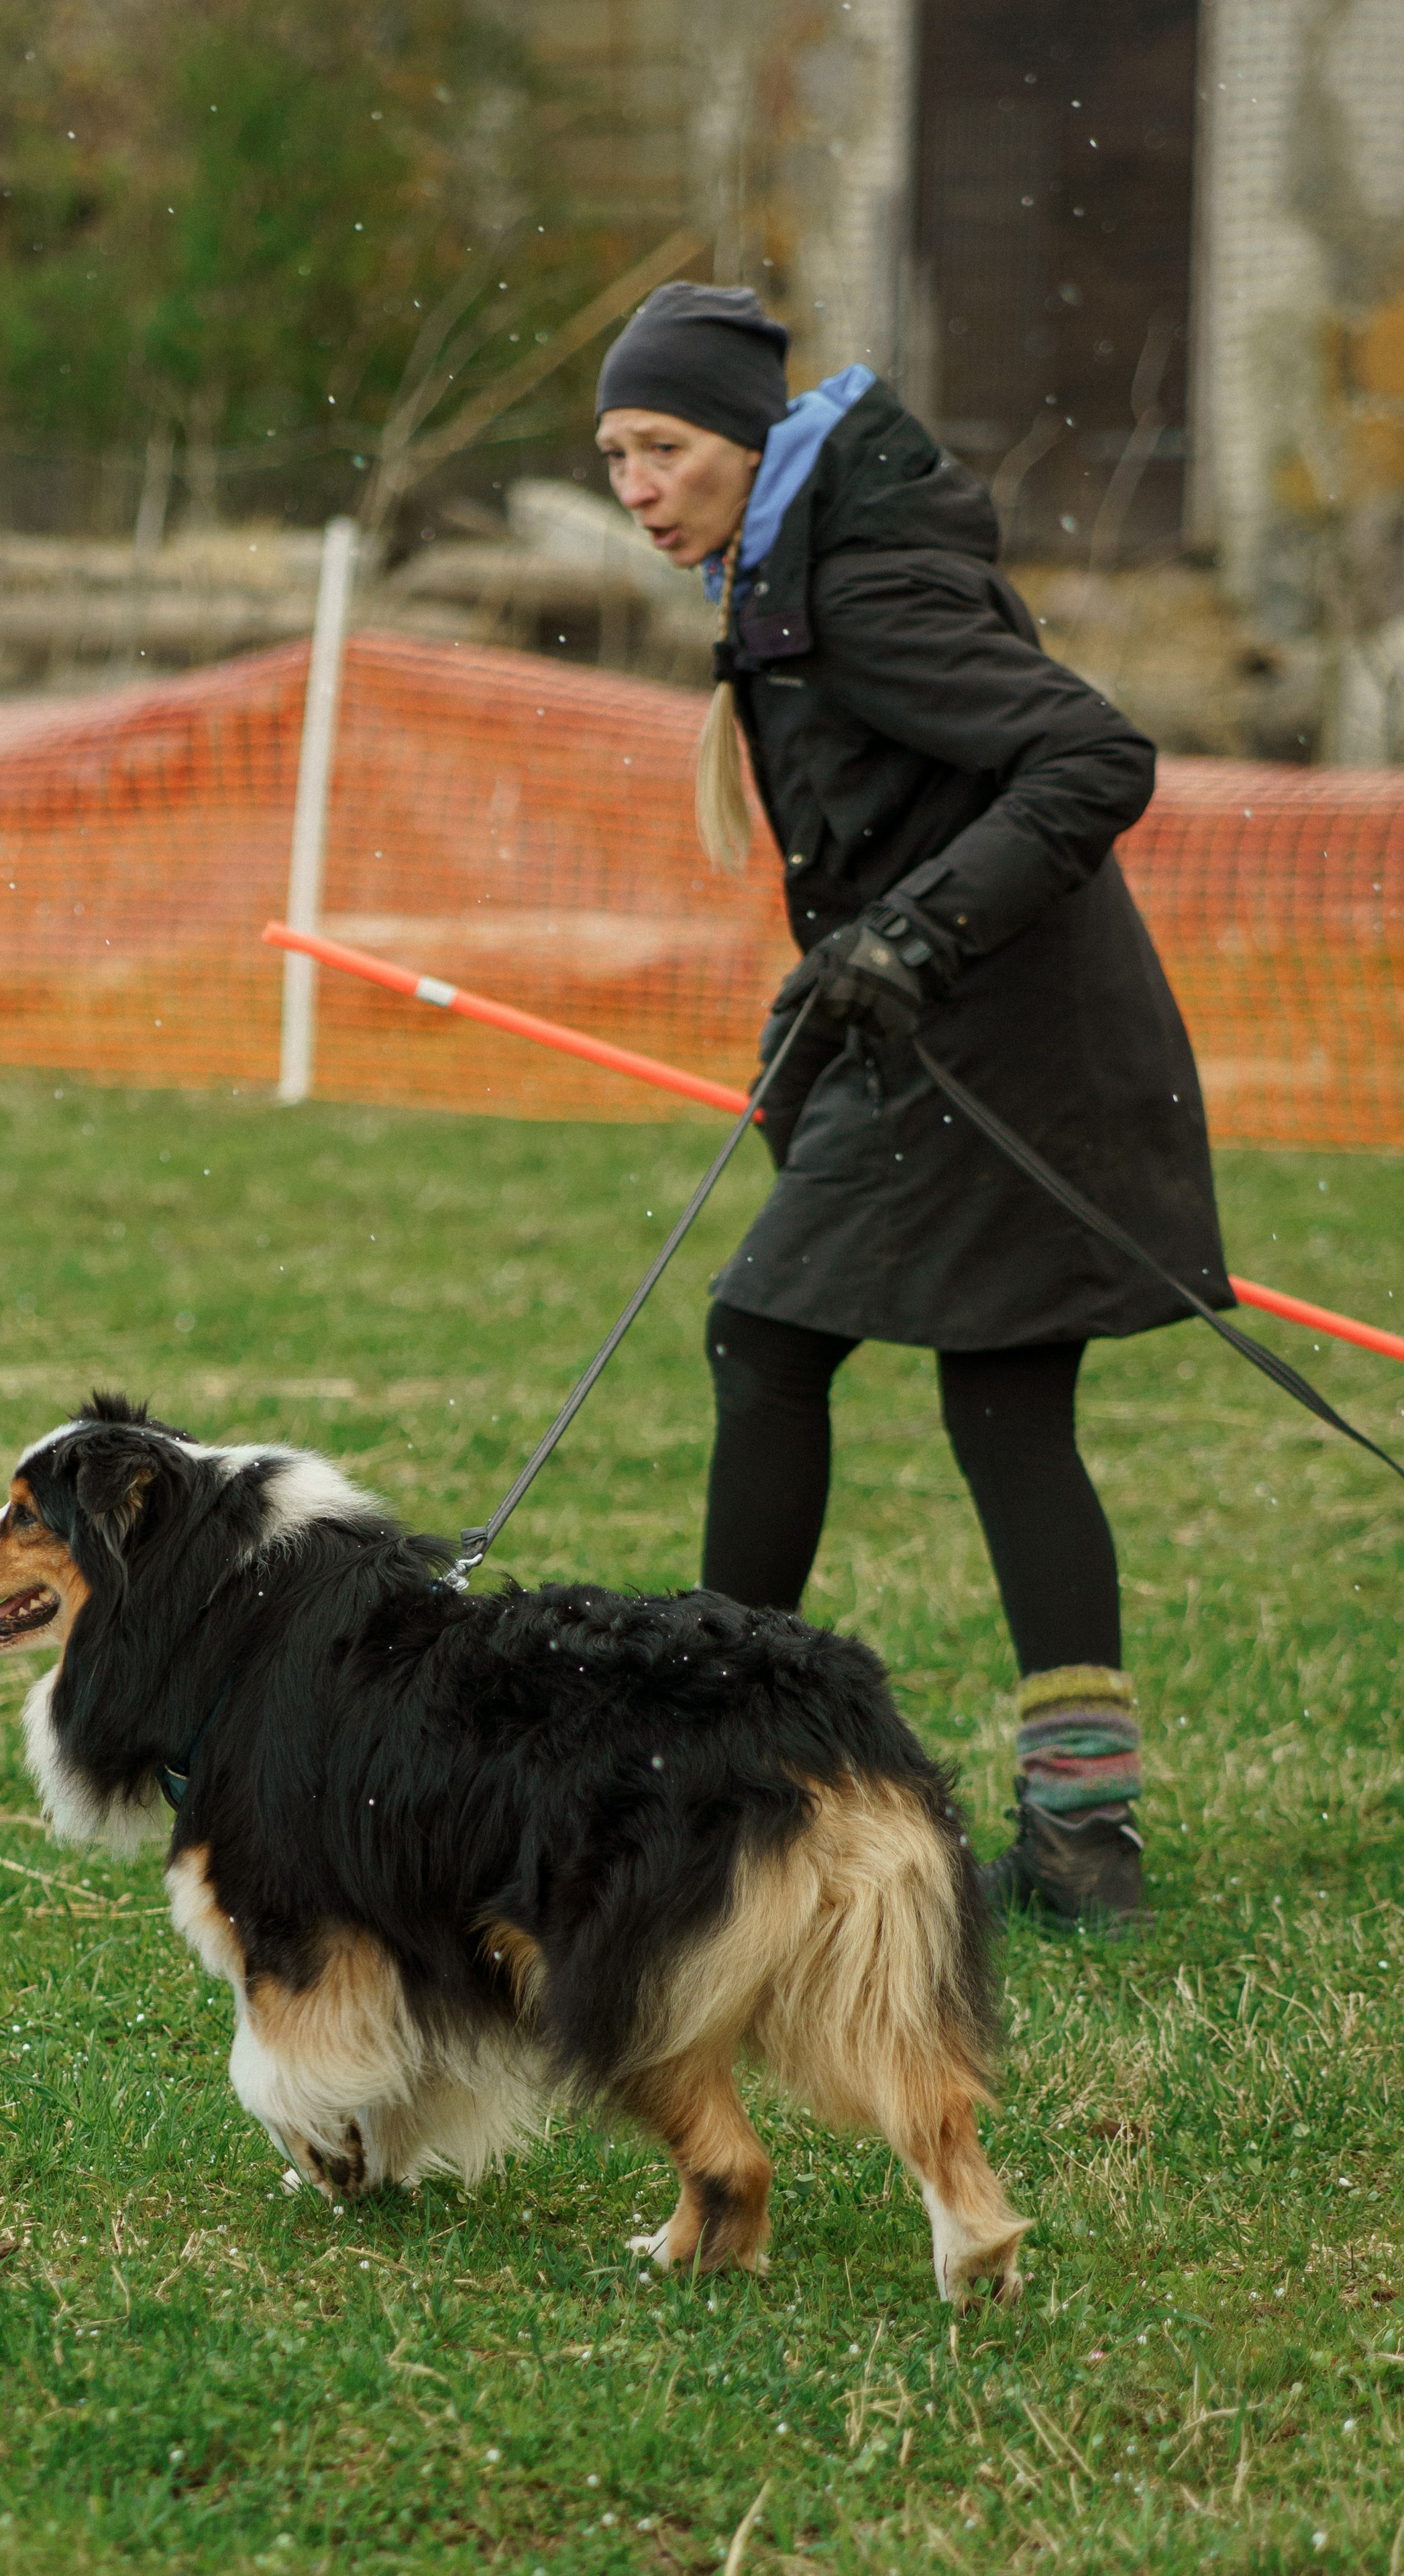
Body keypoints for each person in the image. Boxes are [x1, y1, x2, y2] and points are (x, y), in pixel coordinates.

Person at [594, 282, 1234, 1932]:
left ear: (745, 444)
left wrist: (917, 937)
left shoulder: (856, 585)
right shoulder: (789, 573)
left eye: (662, 447)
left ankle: (714, 1778)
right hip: (996, 1033)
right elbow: (889, 834)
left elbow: (1092, 759)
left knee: (764, 1335)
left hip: (1007, 1051)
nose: (636, 485)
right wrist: (825, 1006)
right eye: (611, 458)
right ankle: (1082, 1849)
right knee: (1006, 1410)